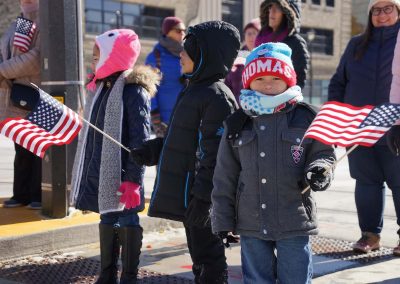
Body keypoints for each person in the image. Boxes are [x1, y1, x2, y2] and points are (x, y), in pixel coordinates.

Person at [211, 42, 335, 284]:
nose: (268, 84)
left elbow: (324, 153)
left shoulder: (307, 116)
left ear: (288, 80)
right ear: (248, 82)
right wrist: (222, 220)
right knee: (257, 280)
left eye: (276, 78)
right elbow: (225, 175)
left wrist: (320, 170)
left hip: (294, 219)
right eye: (260, 78)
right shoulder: (238, 123)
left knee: (296, 278)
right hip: (250, 222)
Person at [130, 21, 240, 283]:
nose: (181, 54)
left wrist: (204, 201)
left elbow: (216, 157)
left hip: (202, 196)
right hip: (189, 193)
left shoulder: (217, 97)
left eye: (187, 51)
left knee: (209, 254)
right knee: (199, 255)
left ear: (206, 56)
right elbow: (182, 141)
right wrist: (153, 150)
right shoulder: (192, 90)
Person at [70, 29, 160, 283]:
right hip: (104, 173)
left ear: (113, 56)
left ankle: (129, 275)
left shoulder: (133, 91)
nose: (93, 60)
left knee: (128, 219)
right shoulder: (100, 89)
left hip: (125, 173)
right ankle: (107, 274)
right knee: (107, 218)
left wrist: (133, 179)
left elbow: (140, 141)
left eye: (98, 55)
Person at [329, 0, 400, 256]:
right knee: (367, 183)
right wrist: (335, 117)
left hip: (395, 128)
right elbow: (339, 82)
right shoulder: (357, 44)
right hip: (359, 128)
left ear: (398, 10)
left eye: (388, 8)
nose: (382, 15)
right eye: (376, 10)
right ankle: (370, 235)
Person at [0, 0, 42, 209]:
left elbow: (36, 58)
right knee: (21, 146)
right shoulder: (20, 21)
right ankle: (22, 193)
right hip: (15, 93)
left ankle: (37, 194)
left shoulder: (45, 19)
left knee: (36, 147)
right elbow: (5, 52)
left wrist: (3, 71)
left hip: (34, 93)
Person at [145, 16, 186, 138]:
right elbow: (149, 89)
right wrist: (155, 116)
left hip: (187, 116)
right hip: (164, 121)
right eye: (178, 30)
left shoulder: (187, 54)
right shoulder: (155, 57)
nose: (182, 33)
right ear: (167, 32)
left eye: (184, 30)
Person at [255, 0, 308, 89]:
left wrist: (285, 99)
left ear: (287, 14)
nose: (272, 11)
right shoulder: (260, 40)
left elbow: (299, 80)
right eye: (270, 7)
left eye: (278, 8)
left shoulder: (296, 43)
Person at [225, 19, 260, 103]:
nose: (251, 36)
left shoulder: (266, 58)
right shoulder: (236, 57)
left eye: (254, 33)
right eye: (248, 33)